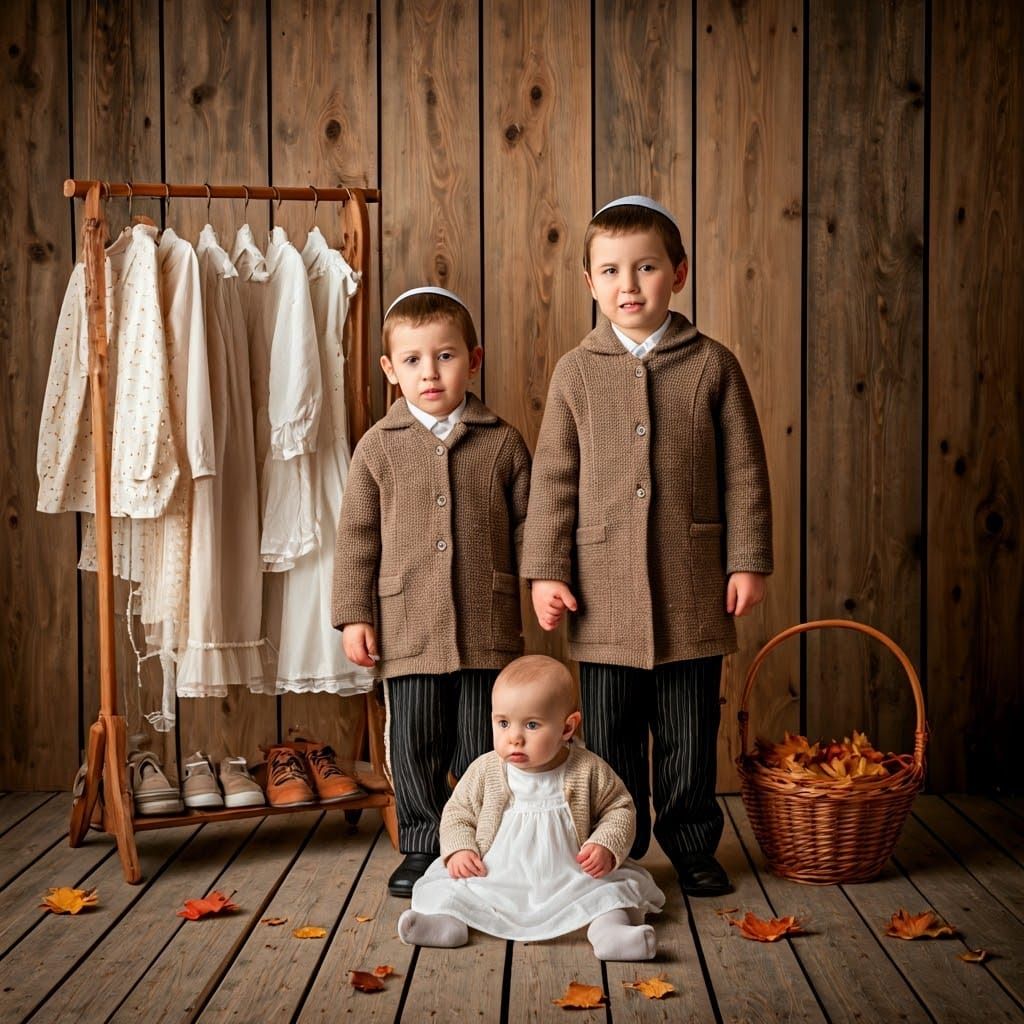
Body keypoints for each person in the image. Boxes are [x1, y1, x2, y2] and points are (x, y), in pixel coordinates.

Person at [521, 196, 772, 896]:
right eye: (610, 271)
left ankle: (692, 844)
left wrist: (747, 558)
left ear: (679, 274)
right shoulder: (576, 372)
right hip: (601, 596)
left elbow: (745, 471)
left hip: (692, 589)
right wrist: (546, 573)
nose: (628, 285)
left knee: (691, 731)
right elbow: (553, 480)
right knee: (611, 734)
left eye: (646, 268)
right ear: (590, 283)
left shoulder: (712, 366)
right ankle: (617, 848)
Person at [332, 286, 531, 897]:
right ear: (391, 371)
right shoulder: (378, 448)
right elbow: (357, 539)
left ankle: (482, 843)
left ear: (474, 359)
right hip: (407, 627)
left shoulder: (501, 441)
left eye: (444, 356)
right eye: (413, 360)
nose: (430, 373)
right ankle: (421, 842)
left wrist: (545, 582)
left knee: (481, 746)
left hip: (486, 630)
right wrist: (353, 617)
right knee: (414, 742)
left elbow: (530, 525)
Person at [398, 655, 664, 960]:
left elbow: (620, 809)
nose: (514, 738)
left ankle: (609, 932)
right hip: (494, 877)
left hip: (572, 878)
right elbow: (458, 813)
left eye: (532, 724)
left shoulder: (587, 769)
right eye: (503, 723)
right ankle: (448, 925)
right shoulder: (486, 770)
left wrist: (605, 843)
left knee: (609, 896)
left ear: (567, 728)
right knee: (452, 888)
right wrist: (460, 849)